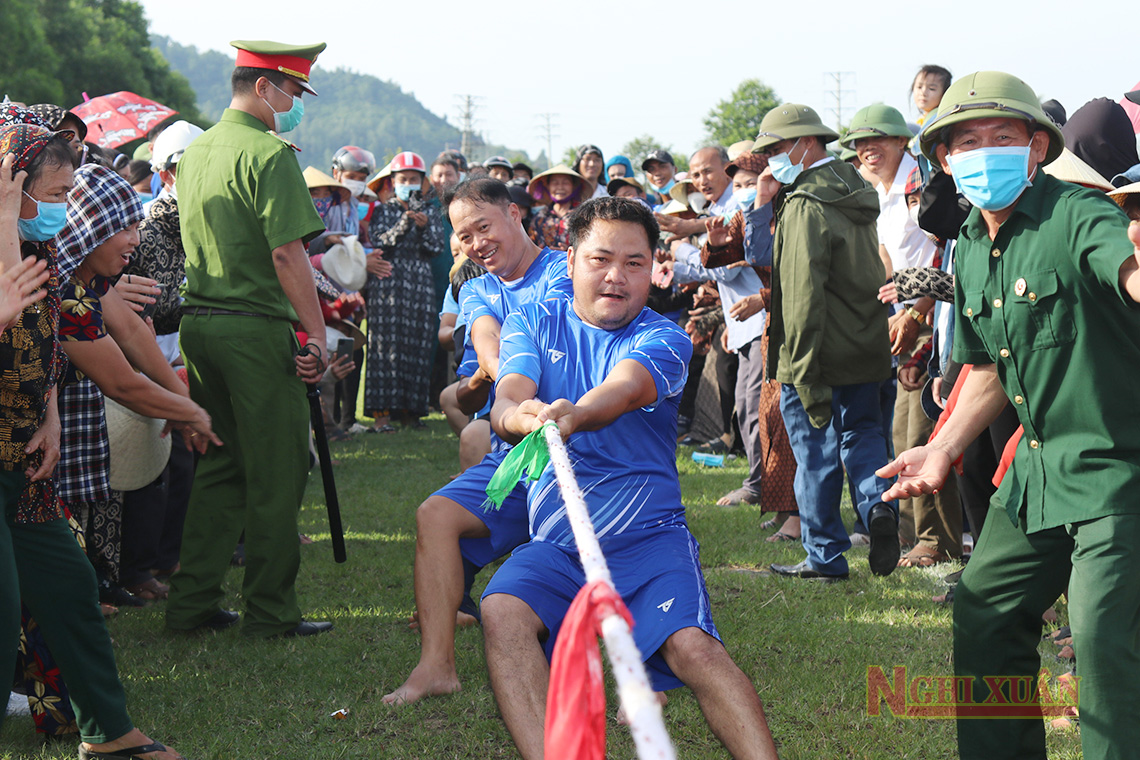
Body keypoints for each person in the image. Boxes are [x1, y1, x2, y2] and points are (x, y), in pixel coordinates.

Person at [880, 70, 1140, 760]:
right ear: (944, 158)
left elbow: (1126, 269)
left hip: (1118, 469)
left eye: (1006, 137)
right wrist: (944, 447)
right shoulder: (968, 244)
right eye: (969, 141)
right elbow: (990, 367)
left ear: (1036, 148)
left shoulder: (1081, 214)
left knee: (1105, 644)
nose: (987, 151)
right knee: (985, 615)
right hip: (1037, 471)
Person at [484, 197, 779, 760]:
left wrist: (573, 414)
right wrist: (519, 416)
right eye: (600, 259)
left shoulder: (665, 338)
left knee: (694, 649)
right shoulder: (531, 320)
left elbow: (624, 389)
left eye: (635, 263)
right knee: (501, 611)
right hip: (557, 543)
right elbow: (510, 393)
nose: (616, 276)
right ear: (570, 261)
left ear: (654, 268)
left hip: (648, 538)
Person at [1, 116, 192, 760]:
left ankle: (109, 736)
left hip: (24, 467)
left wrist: (48, 406)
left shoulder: (39, 254)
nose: (59, 211)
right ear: (10, 184)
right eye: (50, 196)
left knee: (70, 588)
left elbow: (49, 343)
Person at [165, 39, 334, 638]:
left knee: (220, 465)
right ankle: (269, 611)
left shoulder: (199, 150)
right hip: (255, 329)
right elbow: (289, 254)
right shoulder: (269, 154)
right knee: (277, 470)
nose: (296, 104)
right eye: (293, 90)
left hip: (201, 325)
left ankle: (192, 603)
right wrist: (316, 334)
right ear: (265, 87)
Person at [382, 178, 573, 706]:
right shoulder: (477, 289)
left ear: (515, 214)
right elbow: (484, 356)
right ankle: (435, 666)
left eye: (482, 227)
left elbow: (535, 341)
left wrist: (506, 376)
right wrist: (490, 384)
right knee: (434, 514)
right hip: (515, 446)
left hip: (572, 448)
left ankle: (641, 670)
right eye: (463, 236)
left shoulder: (564, 271)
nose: (474, 243)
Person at [750, 103, 898, 580]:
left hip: (811, 351)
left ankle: (825, 555)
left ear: (806, 143)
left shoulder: (805, 203)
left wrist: (802, 367)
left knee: (814, 452)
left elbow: (801, 294)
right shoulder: (856, 189)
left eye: (776, 148)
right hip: (863, 343)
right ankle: (878, 508)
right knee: (864, 436)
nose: (772, 158)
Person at [842, 104, 962, 566]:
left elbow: (944, 260)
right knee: (903, 429)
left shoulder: (921, 186)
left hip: (935, 320)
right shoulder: (876, 192)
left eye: (877, 140)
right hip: (901, 322)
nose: (867, 150)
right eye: (859, 143)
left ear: (901, 142)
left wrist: (917, 315)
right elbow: (888, 258)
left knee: (926, 429)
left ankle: (936, 539)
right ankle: (916, 534)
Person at [364, 150, 445, 431]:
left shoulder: (431, 212)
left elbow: (436, 248)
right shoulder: (383, 210)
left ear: (422, 182)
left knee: (418, 345)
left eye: (413, 179)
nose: (408, 183)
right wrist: (404, 223)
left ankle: (413, 412)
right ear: (392, 181)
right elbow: (380, 242)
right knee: (384, 346)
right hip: (387, 281)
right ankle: (382, 417)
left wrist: (422, 228)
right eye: (403, 178)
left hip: (420, 284)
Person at [527, 164, 586, 250]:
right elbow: (530, 246)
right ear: (548, 186)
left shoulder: (583, 215)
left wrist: (568, 251)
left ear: (573, 186)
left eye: (565, 183)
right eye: (555, 183)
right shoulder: (540, 217)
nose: (560, 187)